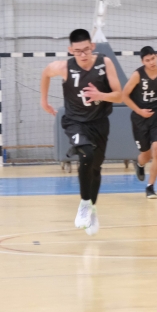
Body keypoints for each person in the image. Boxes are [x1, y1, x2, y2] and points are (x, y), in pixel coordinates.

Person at [40, 29, 122, 235]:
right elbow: (46, 73)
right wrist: (44, 101)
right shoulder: (64, 67)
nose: (83, 54)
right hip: (75, 122)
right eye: (78, 51)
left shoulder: (105, 63)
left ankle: (91, 208)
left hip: (99, 123)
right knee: (86, 155)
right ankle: (84, 204)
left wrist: (101, 95)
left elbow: (119, 95)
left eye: (86, 49)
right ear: (71, 50)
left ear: (92, 46)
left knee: (95, 169)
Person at [121, 46, 157, 199]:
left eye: (153, 58)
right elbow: (124, 96)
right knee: (146, 155)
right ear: (143, 62)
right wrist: (139, 111)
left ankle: (150, 187)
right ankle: (139, 164)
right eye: (147, 60)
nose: (151, 62)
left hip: (156, 116)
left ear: (156, 57)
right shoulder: (137, 75)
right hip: (140, 118)